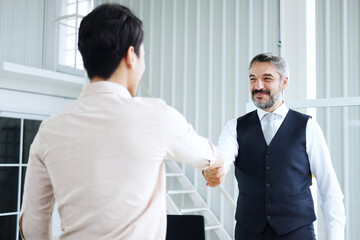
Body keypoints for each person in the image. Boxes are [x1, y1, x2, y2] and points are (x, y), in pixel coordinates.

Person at [19, 4, 224, 240]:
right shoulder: (156, 116)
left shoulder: (49, 130)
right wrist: (214, 168)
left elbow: (33, 225)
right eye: (143, 56)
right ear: (130, 56)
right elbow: (207, 154)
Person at [203, 53, 345, 240]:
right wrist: (213, 169)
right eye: (253, 79)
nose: (258, 86)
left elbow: (330, 189)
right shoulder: (235, 127)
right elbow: (222, 157)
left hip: (298, 232)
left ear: (284, 83)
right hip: (249, 233)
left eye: (267, 79)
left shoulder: (308, 127)